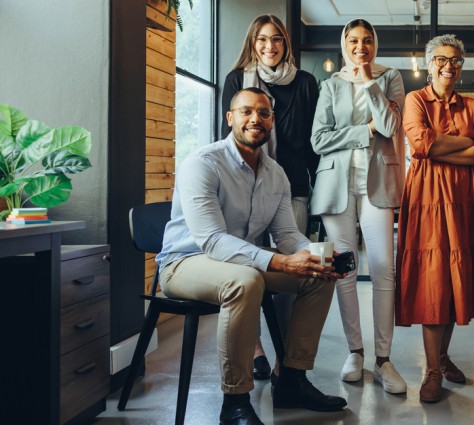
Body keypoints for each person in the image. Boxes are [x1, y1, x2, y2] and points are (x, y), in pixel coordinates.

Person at [157, 88, 347, 425]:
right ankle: (235, 402)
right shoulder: (203, 164)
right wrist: (281, 261)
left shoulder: (276, 173)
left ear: (272, 122)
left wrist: (317, 256)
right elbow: (212, 240)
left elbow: (286, 234)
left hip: (239, 259)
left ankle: (290, 380)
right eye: (246, 111)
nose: (255, 119)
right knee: (245, 281)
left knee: (317, 277)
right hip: (184, 262)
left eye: (263, 113)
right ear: (230, 118)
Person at [397, 33, 474, 403]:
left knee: (454, 276)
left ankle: (442, 358)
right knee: (433, 279)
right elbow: (421, 142)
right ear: (429, 65)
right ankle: (431, 370)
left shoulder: (471, 105)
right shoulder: (415, 99)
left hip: (463, 198)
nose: (449, 66)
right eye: (441, 59)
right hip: (427, 196)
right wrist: (463, 145)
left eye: (455, 60)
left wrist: (439, 147)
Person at [310, 18, 407, 394]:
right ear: (344, 44)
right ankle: (355, 352)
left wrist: (368, 80)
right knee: (345, 271)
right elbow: (319, 140)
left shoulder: (390, 78)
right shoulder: (331, 85)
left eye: (367, 40)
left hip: (377, 185)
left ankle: (383, 360)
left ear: (375, 44)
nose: (360, 47)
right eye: (353, 41)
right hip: (335, 187)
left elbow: (390, 127)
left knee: (384, 270)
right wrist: (363, 131)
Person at [221, 14, 320, 384]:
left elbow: (312, 144)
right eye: (262, 39)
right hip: (242, 187)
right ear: (253, 42)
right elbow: (225, 135)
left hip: (290, 185)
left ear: (286, 44)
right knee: (246, 270)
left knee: (291, 271)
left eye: (277, 39)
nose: (269, 46)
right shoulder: (237, 79)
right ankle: (255, 349)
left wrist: (319, 188)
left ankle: (285, 359)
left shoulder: (305, 83)